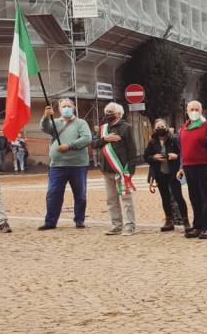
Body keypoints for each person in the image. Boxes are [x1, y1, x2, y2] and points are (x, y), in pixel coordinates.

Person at [39, 99, 92, 230]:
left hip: (78, 165)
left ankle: (79, 219)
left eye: (69, 106)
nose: (66, 108)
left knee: (80, 194)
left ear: (74, 107)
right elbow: (44, 128)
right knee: (53, 194)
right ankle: (50, 221)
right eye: (64, 106)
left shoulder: (81, 123)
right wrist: (45, 116)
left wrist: (69, 146)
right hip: (57, 165)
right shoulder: (55, 123)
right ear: (59, 109)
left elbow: (87, 138)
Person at [177, 100, 207, 240]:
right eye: (191, 109)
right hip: (189, 167)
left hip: (204, 167)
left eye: (197, 109)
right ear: (187, 111)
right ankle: (197, 225)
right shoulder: (183, 128)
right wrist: (181, 167)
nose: (194, 111)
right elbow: (182, 150)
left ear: (201, 111)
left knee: (206, 198)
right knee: (194, 198)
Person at [93, 102, 138, 236]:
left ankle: (129, 225)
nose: (108, 113)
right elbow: (94, 143)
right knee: (111, 199)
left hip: (122, 170)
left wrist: (130, 170)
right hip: (106, 170)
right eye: (107, 111)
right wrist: (105, 138)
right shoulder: (103, 128)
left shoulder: (126, 127)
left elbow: (132, 149)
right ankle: (116, 224)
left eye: (111, 111)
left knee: (126, 199)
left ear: (119, 113)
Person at [144, 118, 189, 232]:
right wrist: (153, 157)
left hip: (173, 173)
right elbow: (146, 156)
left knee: (178, 197)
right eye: (158, 127)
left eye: (162, 127)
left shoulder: (174, 139)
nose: (160, 129)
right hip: (160, 173)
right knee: (165, 198)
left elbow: (183, 153)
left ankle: (186, 221)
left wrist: (176, 156)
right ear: (154, 129)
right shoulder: (153, 141)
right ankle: (169, 220)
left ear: (167, 127)